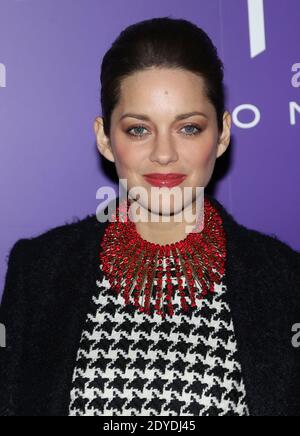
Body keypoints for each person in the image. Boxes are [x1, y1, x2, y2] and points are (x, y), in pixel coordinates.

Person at [0, 17, 299, 417]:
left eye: (189, 128)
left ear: (223, 134)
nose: (163, 153)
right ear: (105, 138)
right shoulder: (37, 273)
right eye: (139, 129)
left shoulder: (285, 281)